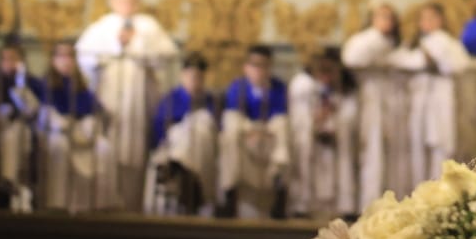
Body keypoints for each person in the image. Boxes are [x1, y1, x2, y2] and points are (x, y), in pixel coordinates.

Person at [75, 0, 179, 209]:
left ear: (138, 2)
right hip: (109, 100)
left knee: (135, 154)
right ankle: (106, 203)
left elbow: (168, 53)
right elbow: (84, 56)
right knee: (107, 150)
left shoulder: (148, 26)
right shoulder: (101, 27)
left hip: (138, 105)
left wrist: (137, 43)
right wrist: (115, 44)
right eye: (121, 0)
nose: (126, 5)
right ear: (112, 1)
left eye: (131, 0)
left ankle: (133, 205)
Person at [388, 3, 468, 186]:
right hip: (419, 102)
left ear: (441, 20)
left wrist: (431, 60)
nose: (427, 22)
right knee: (417, 149)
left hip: (440, 102)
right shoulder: (413, 43)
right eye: (424, 18)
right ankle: (419, 191)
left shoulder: (448, 42)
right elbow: (399, 60)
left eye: (432, 18)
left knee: (440, 149)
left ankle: (440, 192)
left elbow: (457, 65)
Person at [341, 0, 409, 207]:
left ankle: (395, 203)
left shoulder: (398, 45)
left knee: (396, 158)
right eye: (380, 16)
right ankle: (369, 205)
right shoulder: (366, 40)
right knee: (372, 153)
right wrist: (377, 39)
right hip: (371, 102)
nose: (385, 21)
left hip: (395, 106)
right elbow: (351, 58)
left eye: (389, 17)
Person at [39, 40, 118, 212]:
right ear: (53, 60)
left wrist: (90, 126)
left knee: (105, 149)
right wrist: (62, 124)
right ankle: (57, 204)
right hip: (58, 132)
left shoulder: (82, 86)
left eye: (70, 56)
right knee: (59, 146)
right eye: (61, 56)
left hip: (82, 132)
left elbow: (96, 111)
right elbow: (45, 113)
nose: (66, 61)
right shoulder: (45, 85)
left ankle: (101, 204)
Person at [218, 45, 290, 219]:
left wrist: (262, 131)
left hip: (269, 133)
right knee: (230, 123)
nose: (258, 70)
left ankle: (280, 185)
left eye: (263, 65)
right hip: (246, 134)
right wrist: (250, 129)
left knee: (283, 124)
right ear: (246, 67)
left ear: (269, 67)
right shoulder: (237, 87)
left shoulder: (279, 88)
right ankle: (230, 193)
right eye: (254, 65)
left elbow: (280, 116)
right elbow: (234, 115)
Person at [288, 47, 360, 218]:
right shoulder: (304, 86)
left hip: (338, 142)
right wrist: (317, 120)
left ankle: (345, 205)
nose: (327, 76)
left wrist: (335, 122)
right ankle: (303, 204)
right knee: (303, 143)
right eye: (323, 70)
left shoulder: (348, 90)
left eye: (331, 71)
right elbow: (298, 119)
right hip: (312, 140)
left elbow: (352, 117)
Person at [146, 52, 219, 216]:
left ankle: (185, 171)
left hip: (203, 151)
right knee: (187, 132)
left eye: (199, 76)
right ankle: (187, 177)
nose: (195, 79)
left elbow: (217, 129)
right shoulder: (171, 98)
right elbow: (160, 128)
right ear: (183, 75)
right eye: (191, 75)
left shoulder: (210, 100)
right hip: (175, 145)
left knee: (200, 127)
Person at [0, 41, 43, 210]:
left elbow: (31, 110)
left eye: (13, 59)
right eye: (4, 59)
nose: (8, 63)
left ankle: (7, 186)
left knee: (12, 137)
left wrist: (20, 86)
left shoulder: (32, 83)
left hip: (22, 128)